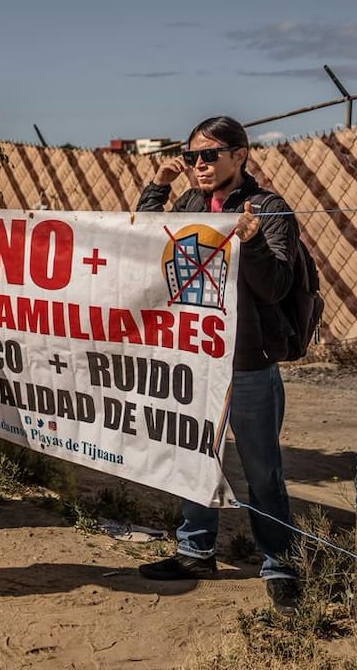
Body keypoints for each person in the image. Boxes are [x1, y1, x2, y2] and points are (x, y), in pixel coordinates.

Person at [136, 116, 300, 613]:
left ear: (241, 155)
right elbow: (141, 241)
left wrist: (249, 241)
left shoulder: (270, 208)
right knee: (193, 458)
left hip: (247, 362)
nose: (199, 165)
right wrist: (156, 189)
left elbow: (275, 287)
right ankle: (195, 551)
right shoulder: (186, 204)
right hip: (194, 359)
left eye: (210, 155)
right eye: (191, 158)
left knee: (262, 470)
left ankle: (280, 563)